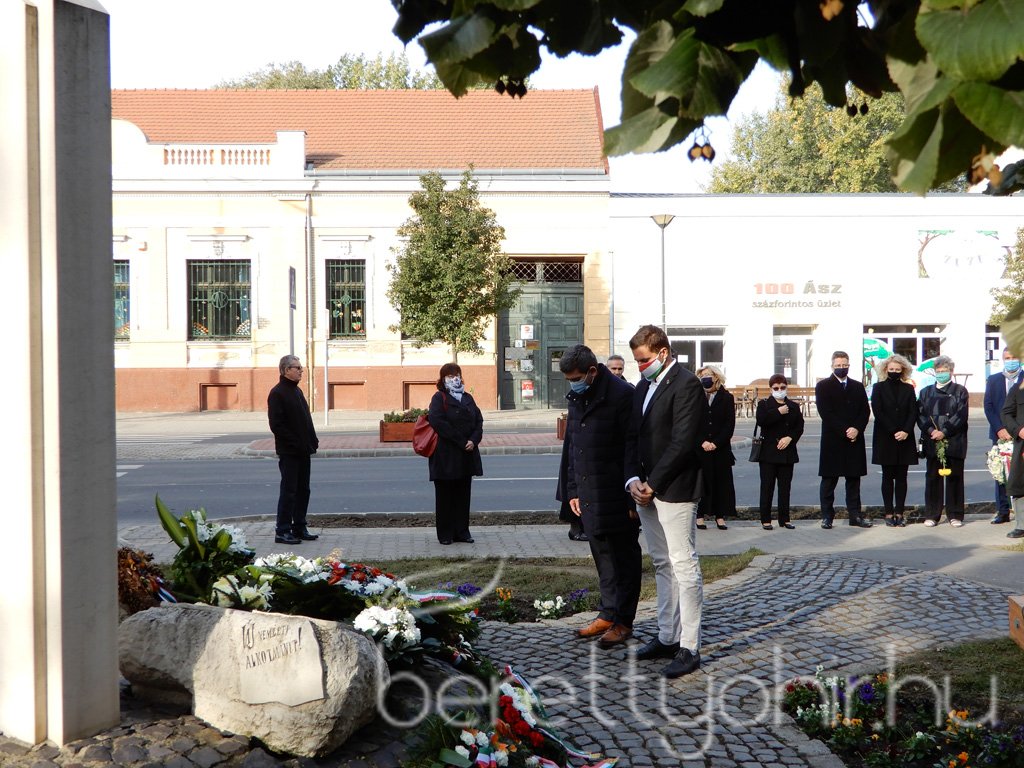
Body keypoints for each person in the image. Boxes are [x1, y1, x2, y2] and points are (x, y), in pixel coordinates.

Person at [625, 324, 704, 678]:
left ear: (662, 353)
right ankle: (667, 636)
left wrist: (653, 484)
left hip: (675, 488)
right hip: (644, 490)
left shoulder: (686, 384)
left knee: (683, 565)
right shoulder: (644, 385)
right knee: (661, 564)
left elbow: (684, 443)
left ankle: (689, 646)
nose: (639, 366)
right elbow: (632, 438)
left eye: (643, 360)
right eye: (636, 361)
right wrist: (632, 481)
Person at [557, 345, 641, 648]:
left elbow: (633, 448)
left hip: (617, 494)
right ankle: (607, 613)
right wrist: (572, 490)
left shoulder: (621, 394)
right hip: (588, 492)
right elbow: (573, 446)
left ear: (592, 371)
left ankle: (623, 622)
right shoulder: (579, 394)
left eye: (577, 377)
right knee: (603, 559)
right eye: (569, 379)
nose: (573, 383)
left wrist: (632, 500)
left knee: (624, 561)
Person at [427, 363, 483, 545]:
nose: (455, 378)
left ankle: (462, 532)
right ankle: (445, 534)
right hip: (445, 456)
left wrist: (473, 440)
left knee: (463, 495)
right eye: (450, 375)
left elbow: (478, 421)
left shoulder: (467, 397)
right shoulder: (439, 398)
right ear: (443, 378)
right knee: (445, 497)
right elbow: (438, 422)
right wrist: (461, 441)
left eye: (457, 374)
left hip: (466, 456)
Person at [815, 350, 872, 529]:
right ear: (832, 366)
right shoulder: (823, 386)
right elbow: (826, 413)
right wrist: (845, 430)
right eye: (838, 365)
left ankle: (855, 516)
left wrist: (857, 428)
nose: (841, 368)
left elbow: (865, 411)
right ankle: (827, 516)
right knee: (829, 481)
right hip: (834, 439)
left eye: (844, 365)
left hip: (855, 440)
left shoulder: (857, 386)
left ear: (849, 365)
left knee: (853, 481)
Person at [268, 355, 320, 545]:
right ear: (285, 370)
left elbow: (306, 419)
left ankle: (299, 527)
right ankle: (282, 530)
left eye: (301, 368)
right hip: (289, 451)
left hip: (303, 450)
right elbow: (277, 425)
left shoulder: (296, 391)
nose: (300, 371)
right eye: (297, 368)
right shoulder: (278, 393)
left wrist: (312, 439)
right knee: (289, 491)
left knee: (303, 490)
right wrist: (295, 442)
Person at [917, 355, 970, 527]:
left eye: (945, 371)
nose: (941, 374)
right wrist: (932, 431)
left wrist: (945, 431)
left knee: (955, 477)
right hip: (932, 441)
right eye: (938, 371)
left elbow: (961, 415)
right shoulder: (925, 392)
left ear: (951, 372)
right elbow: (920, 415)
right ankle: (932, 514)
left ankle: (955, 515)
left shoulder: (960, 391)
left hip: (954, 440)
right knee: (933, 478)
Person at [869, 355, 918, 527]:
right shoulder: (879, 387)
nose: (895, 372)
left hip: (905, 438)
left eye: (898, 370)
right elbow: (878, 411)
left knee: (902, 478)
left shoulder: (908, 389)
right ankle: (888, 512)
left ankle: (900, 512)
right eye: (892, 369)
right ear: (885, 370)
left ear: (903, 371)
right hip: (886, 438)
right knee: (888, 477)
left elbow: (914, 412)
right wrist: (894, 430)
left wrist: (905, 430)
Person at [755, 374, 804, 530]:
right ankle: (766, 519)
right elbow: (762, 421)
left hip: (787, 453)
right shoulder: (764, 404)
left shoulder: (794, 406)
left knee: (785, 488)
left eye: (782, 387)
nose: (779, 390)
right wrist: (778, 412)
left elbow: (799, 427)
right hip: (768, 453)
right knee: (767, 487)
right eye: (776, 388)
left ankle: (785, 519)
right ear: (771, 389)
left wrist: (790, 438)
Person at [984, 347, 1023, 524]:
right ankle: (1003, 511)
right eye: (1008, 357)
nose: (1011, 360)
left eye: (1014, 357)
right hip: (1000, 433)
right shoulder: (993, 380)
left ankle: (1021, 513)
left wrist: (1016, 428)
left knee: (1020, 474)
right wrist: (1000, 428)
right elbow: (989, 406)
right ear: (1003, 359)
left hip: (1021, 433)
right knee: (1001, 473)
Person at [695, 365, 735, 530]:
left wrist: (716, 443)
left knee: (721, 483)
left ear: (716, 377)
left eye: (708, 375)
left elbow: (729, 424)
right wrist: (702, 441)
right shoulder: (696, 396)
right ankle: (700, 516)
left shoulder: (726, 397)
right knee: (702, 482)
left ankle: (720, 516)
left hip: (720, 448)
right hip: (701, 448)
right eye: (702, 375)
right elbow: (692, 422)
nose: (705, 378)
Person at [1000, 379, 1024, 539]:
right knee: (1020, 483)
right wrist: (1018, 429)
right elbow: (1006, 413)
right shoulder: (1017, 388)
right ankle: (1021, 525)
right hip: (1023, 443)